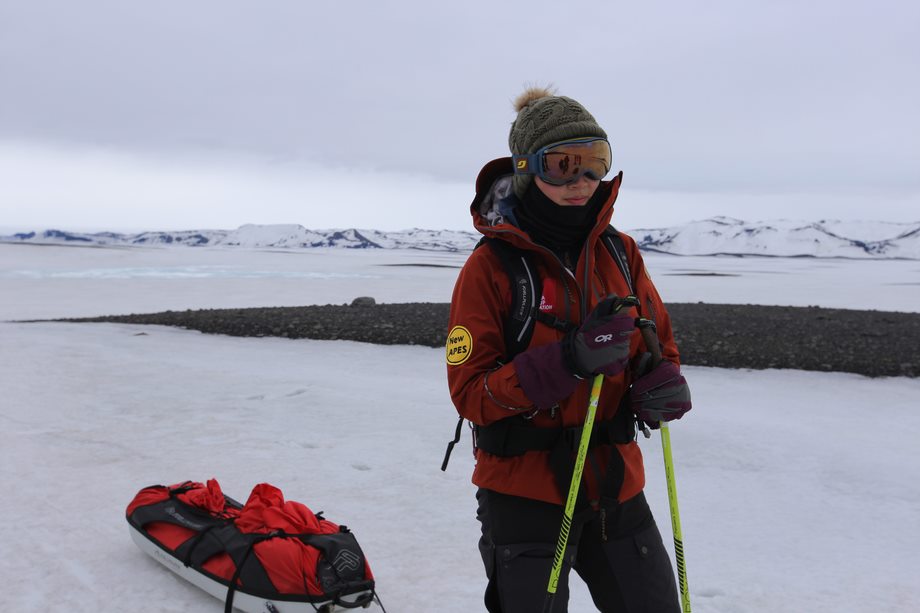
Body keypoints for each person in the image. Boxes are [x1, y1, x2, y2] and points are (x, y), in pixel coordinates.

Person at [445, 87, 692, 612]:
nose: (581, 181)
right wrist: (567, 362)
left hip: (615, 483)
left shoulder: (620, 252)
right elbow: (471, 394)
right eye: (562, 165)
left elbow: (660, 343)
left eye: (594, 163)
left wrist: (661, 380)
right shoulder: (490, 267)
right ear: (528, 168)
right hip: (524, 493)